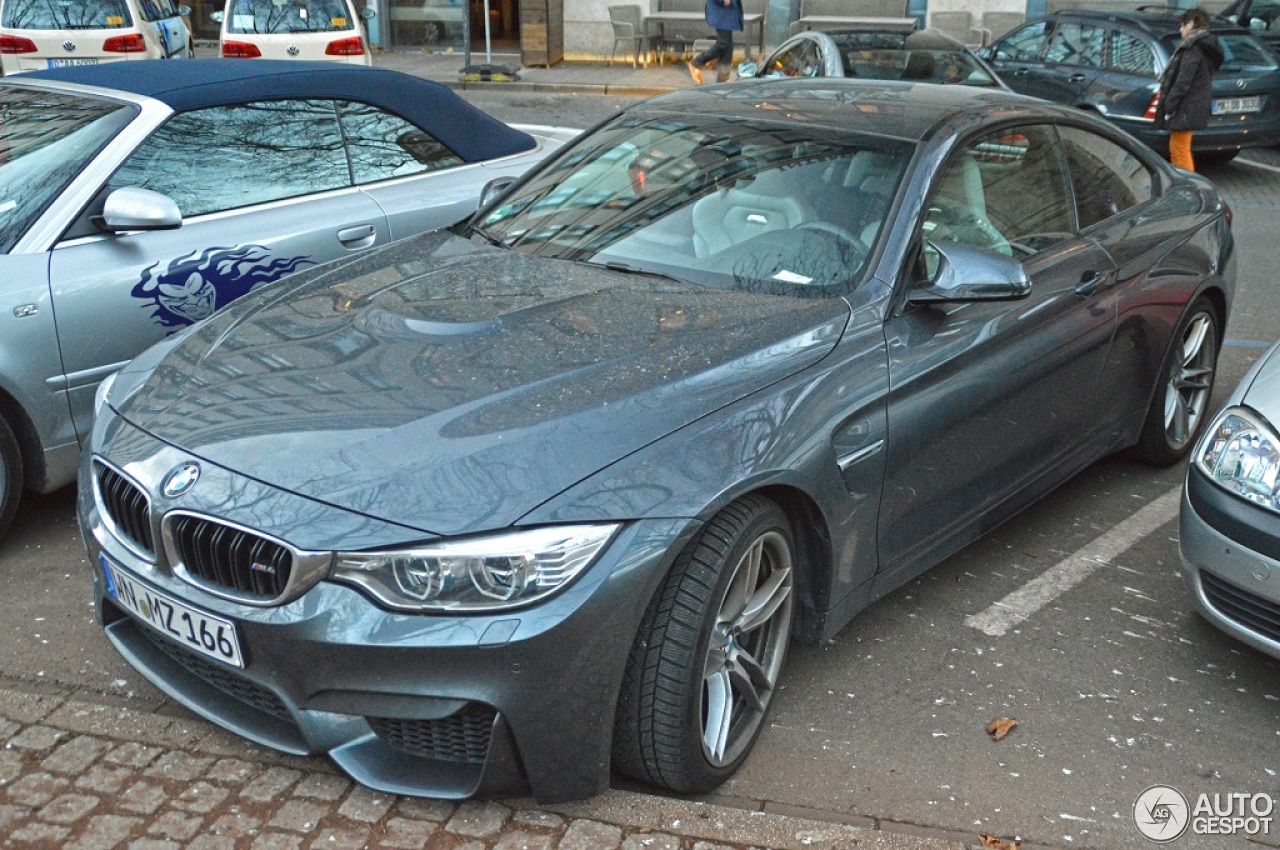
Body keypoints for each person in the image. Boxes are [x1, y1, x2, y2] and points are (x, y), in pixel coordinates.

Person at [1155, 7, 1223, 172]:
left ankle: (1187, 186)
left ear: (1191, 24)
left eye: (1182, 25)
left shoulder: (1192, 49)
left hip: (1186, 107)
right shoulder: (1206, 47)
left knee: (1179, 149)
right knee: (1180, 146)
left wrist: (1170, 105)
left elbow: (1182, 82)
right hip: (1194, 105)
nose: (1180, 30)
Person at [688, 0, 743, 85]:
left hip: (728, 11)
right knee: (723, 43)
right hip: (722, 11)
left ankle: (723, 78)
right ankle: (697, 62)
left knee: (728, 47)